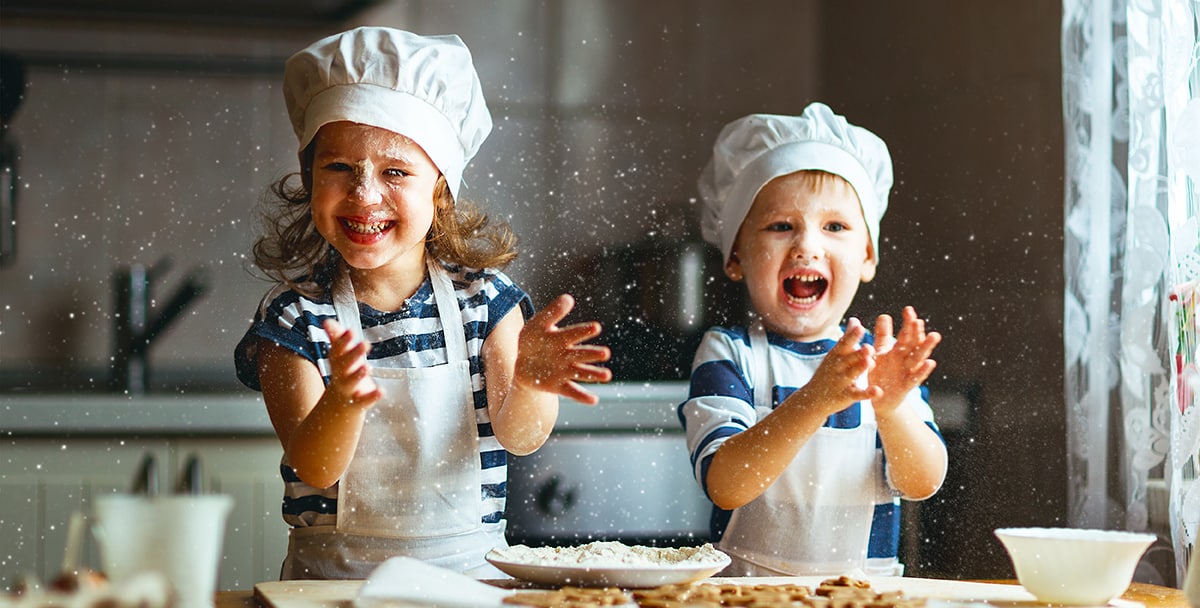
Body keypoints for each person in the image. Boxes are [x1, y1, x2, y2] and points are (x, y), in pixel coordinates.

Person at [234, 26, 612, 580]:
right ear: (309, 178)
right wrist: (343, 400)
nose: (364, 193)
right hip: (333, 586)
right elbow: (315, 467)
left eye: (395, 171)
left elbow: (520, 438)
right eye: (338, 167)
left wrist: (529, 381)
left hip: (471, 580)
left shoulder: (487, 301)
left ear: (440, 189)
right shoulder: (293, 319)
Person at [678, 103, 948, 577]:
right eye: (781, 226)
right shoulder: (730, 353)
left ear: (867, 256)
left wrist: (890, 407)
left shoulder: (879, 362)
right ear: (736, 254)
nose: (807, 245)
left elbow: (922, 481)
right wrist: (814, 400)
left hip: (865, 597)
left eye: (835, 227)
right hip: (746, 597)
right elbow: (725, 483)